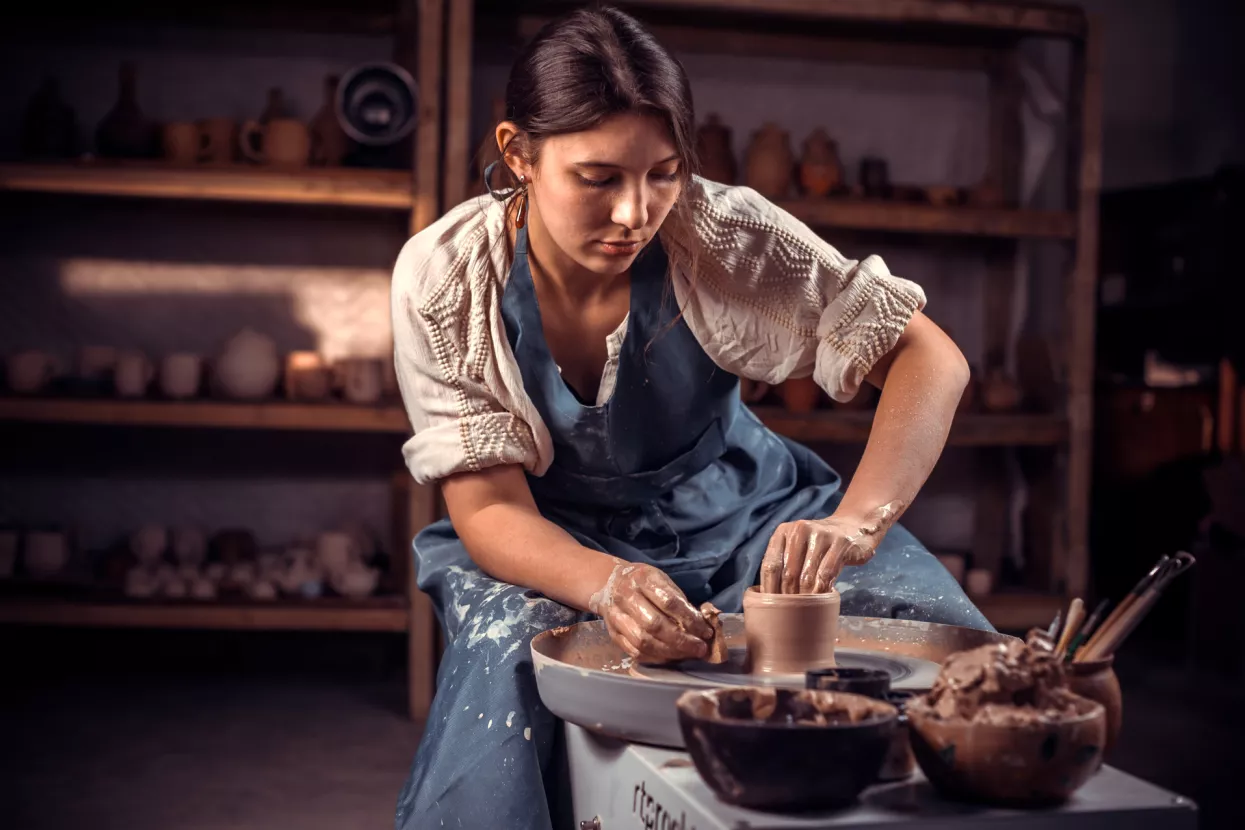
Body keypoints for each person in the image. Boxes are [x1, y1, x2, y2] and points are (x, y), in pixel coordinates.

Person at [390, 6, 991, 828]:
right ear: (517, 154)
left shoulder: (721, 234)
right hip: (548, 536)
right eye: (598, 178)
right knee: (512, 660)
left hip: (738, 510)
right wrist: (606, 584)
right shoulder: (446, 273)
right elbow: (489, 507)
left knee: (937, 647)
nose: (636, 212)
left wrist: (855, 526)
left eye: (663, 172)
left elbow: (931, 359)